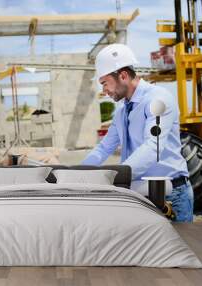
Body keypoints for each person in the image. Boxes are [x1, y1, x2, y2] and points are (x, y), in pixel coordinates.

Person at [82, 44, 193, 222]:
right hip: (139, 193)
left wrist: (115, 177)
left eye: (104, 83)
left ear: (123, 76)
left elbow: (152, 147)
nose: (104, 90)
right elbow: (104, 148)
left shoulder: (158, 100)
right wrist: (78, 173)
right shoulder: (121, 112)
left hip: (170, 196)